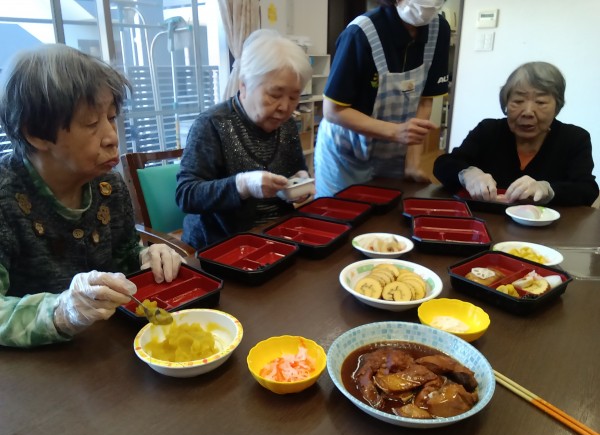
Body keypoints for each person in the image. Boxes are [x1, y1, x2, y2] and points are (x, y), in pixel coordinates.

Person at [0, 44, 183, 348]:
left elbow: (123, 255)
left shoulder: (108, 186)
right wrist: (61, 312)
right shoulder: (5, 196)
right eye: (91, 123)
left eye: (111, 118)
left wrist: (145, 256)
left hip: (107, 351)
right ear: (35, 133)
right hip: (36, 368)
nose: (112, 137)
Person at [176, 29, 314, 249]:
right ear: (244, 85)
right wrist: (242, 185)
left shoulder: (286, 124)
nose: (285, 107)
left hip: (279, 235)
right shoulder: (212, 124)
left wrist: (298, 184)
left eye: (294, 97)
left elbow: (296, 171)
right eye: (275, 94)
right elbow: (186, 195)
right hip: (222, 245)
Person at [313, 0, 450, 197]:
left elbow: (424, 100)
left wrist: (412, 163)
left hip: (392, 153)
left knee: (387, 211)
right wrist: (396, 131)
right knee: (340, 212)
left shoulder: (439, 31)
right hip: (344, 154)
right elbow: (333, 110)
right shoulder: (360, 33)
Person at [433, 61, 599, 206]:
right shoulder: (489, 130)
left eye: (541, 102)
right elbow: (444, 164)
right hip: (486, 222)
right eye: (518, 101)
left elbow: (587, 189)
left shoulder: (574, 138)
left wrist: (547, 189)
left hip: (545, 228)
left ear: (557, 107)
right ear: (505, 103)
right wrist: (467, 174)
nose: (528, 112)